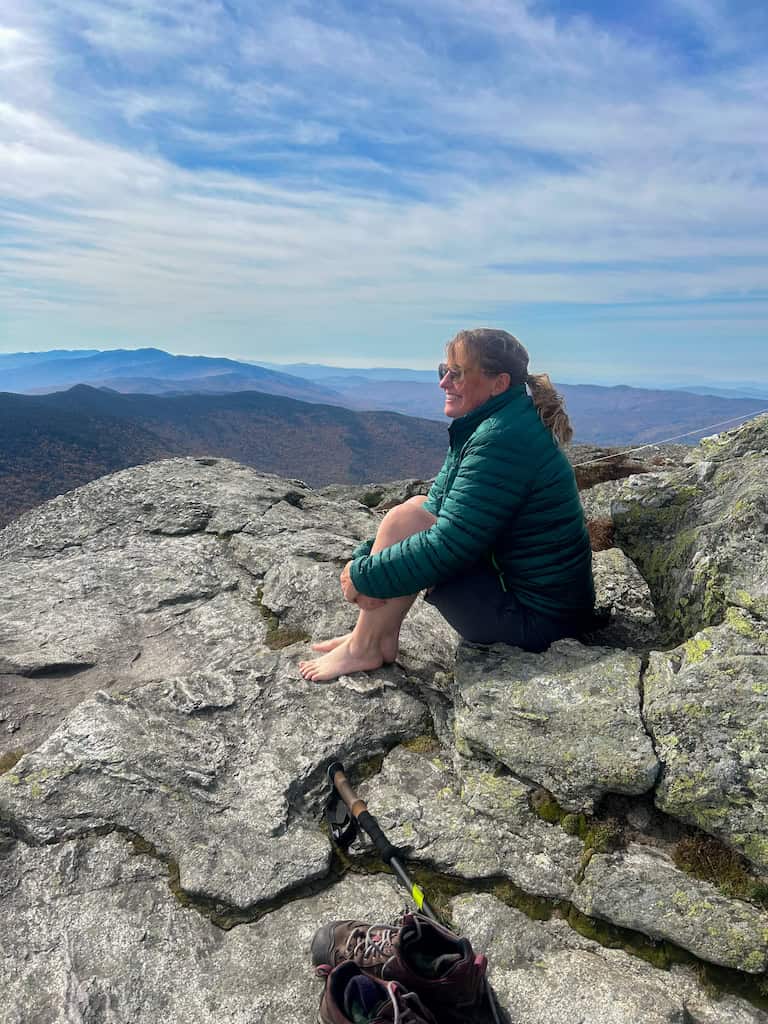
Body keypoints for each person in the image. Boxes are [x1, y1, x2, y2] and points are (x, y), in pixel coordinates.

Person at [299, 328, 594, 683]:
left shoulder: (501, 438)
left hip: (536, 622)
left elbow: (450, 544)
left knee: (412, 523)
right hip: (540, 605)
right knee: (412, 511)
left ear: (498, 383)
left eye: (457, 373)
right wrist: (367, 559)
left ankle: (366, 646)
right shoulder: (498, 423)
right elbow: (437, 507)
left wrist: (365, 574)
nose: (444, 383)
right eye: (444, 370)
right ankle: (373, 638)